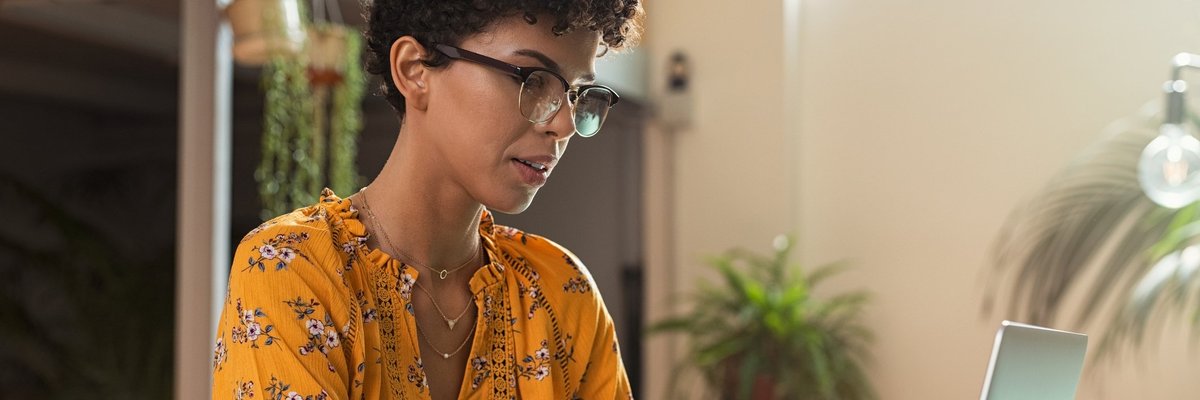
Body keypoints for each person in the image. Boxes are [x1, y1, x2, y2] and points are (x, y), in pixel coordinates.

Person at [211, 1, 643, 399]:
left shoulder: (560, 290)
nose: (564, 124)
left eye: (574, 93)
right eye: (533, 79)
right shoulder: (292, 267)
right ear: (414, 70)